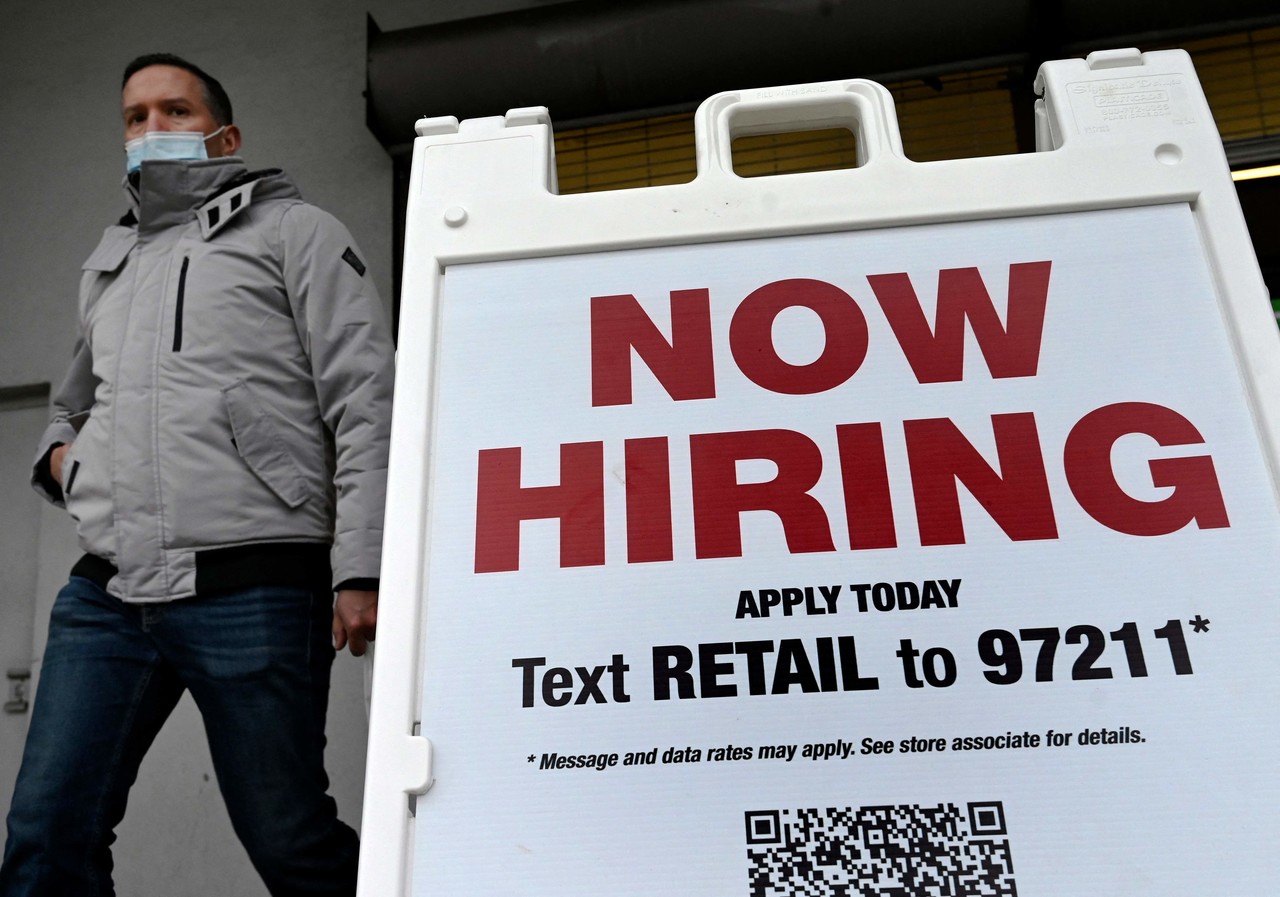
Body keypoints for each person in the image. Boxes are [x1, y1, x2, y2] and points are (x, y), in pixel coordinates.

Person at [0, 53, 394, 896]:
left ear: (225, 134)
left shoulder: (298, 232)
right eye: (135, 117)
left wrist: (361, 564)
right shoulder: (110, 265)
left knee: (289, 839)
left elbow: (365, 398)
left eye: (174, 111)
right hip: (106, 592)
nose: (151, 130)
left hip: (253, 580)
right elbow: (72, 405)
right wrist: (67, 466)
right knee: (44, 836)